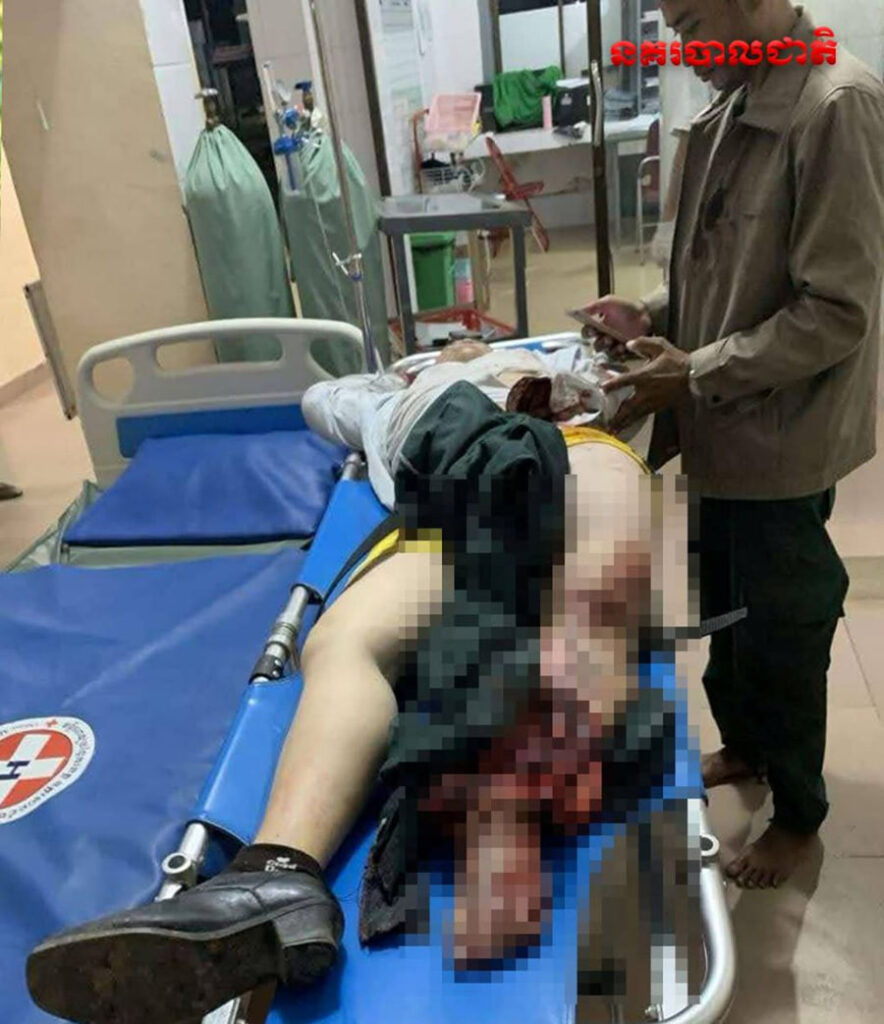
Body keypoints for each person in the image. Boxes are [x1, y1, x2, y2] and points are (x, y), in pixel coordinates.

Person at [27, 342, 660, 1024]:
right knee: (341, 641)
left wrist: (526, 366)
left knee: (590, 592)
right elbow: (319, 401)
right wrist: (407, 375)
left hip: (568, 451)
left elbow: (623, 387)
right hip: (448, 489)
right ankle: (277, 876)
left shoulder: (556, 364)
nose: (463, 345)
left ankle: (504, 818)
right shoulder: (394, 393)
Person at [583, 0, 884, 890]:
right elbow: (726, 276)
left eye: (688, 22)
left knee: (784, 625)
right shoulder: (735, 105)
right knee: (728, 609)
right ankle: (747, 744)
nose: (680, 48)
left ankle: (798, 814)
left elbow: (836, 311)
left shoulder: (835, 109)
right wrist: (653, 317)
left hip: (779, 441)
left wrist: (697, 370)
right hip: (721, 423)